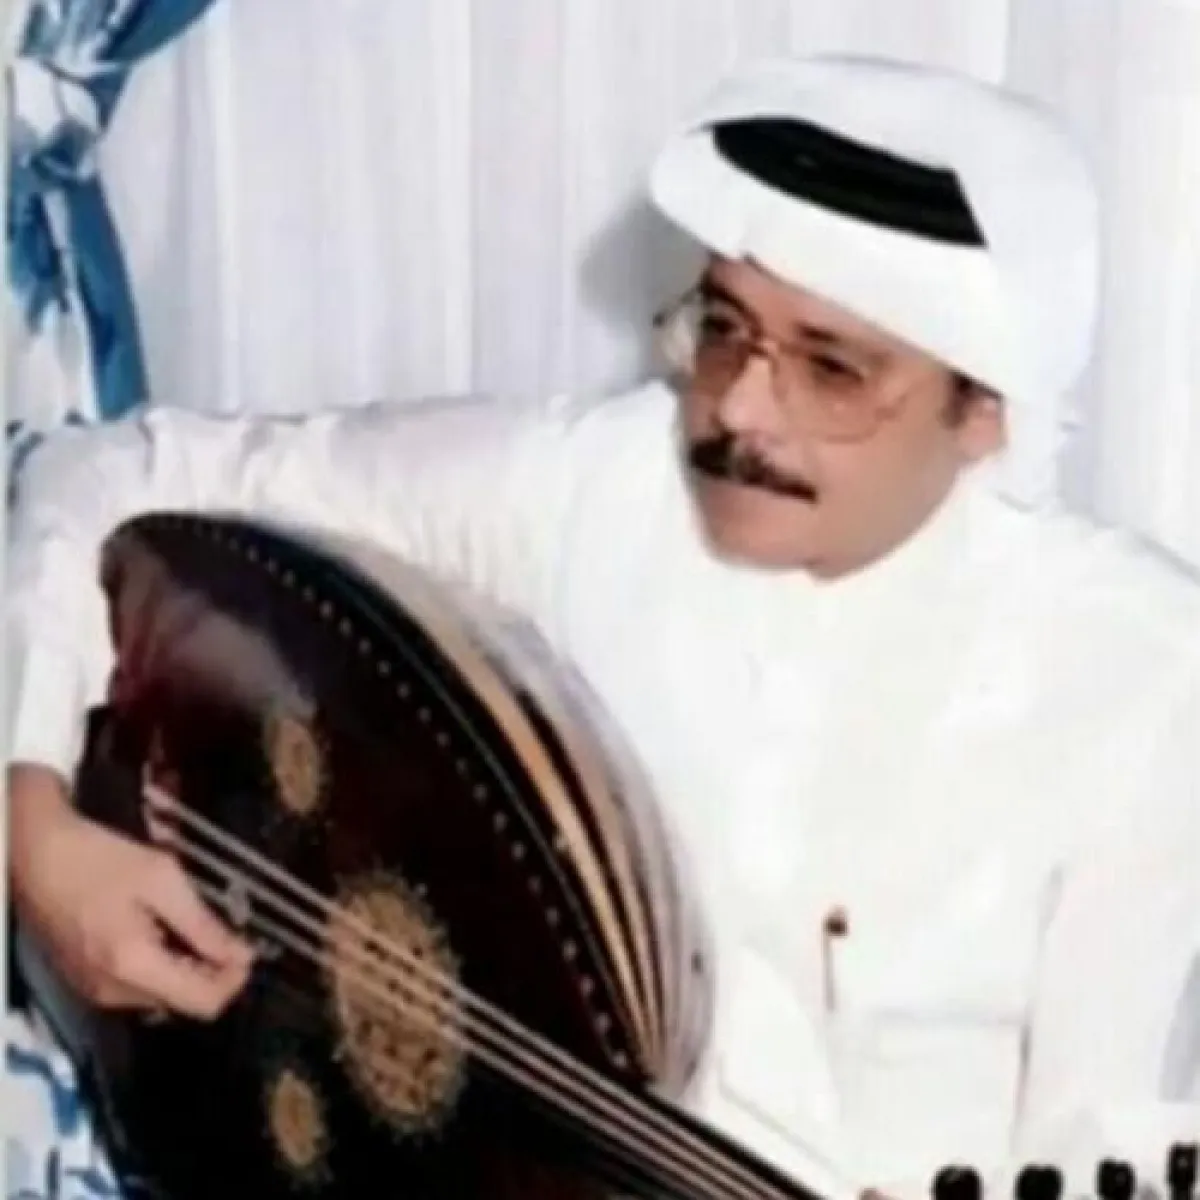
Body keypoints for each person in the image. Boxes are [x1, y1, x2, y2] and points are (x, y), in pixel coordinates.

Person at [7, 53, 1200, 1200]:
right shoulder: (589, 488)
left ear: (986, 410)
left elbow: (1104, 1129)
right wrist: (31, 825)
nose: (738, 408)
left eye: (832, 370)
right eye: (723, 328)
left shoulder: (1140, 671)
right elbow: (98, 474)